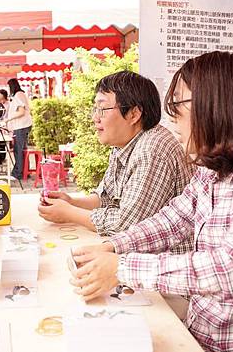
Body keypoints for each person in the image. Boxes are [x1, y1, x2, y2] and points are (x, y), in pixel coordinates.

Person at [70, 51, 233, 352]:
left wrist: (122, 267)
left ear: (215, 105)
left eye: (179, 105)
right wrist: (113, 247)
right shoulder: (213, 171)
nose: (173, 118)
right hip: (201, 334)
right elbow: (172, 221)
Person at [38, 71, 193, 251]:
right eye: (95, 109)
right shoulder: (124, 143)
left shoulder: (152, 149)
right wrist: (71, 202)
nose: (95, 118)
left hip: (167, 264)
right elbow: (107, 196)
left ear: (134, 114)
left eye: (102, 109)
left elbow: (127, 225)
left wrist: (68, 213)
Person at [4, 79, 32, 179]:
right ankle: (23, 171)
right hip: (22, 126)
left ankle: (18, 173)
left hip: (21, 126)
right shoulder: (20, 94)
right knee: (21, 150)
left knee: (18, 150)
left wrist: (8, 119)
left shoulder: (18, 95)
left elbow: (21, 112)